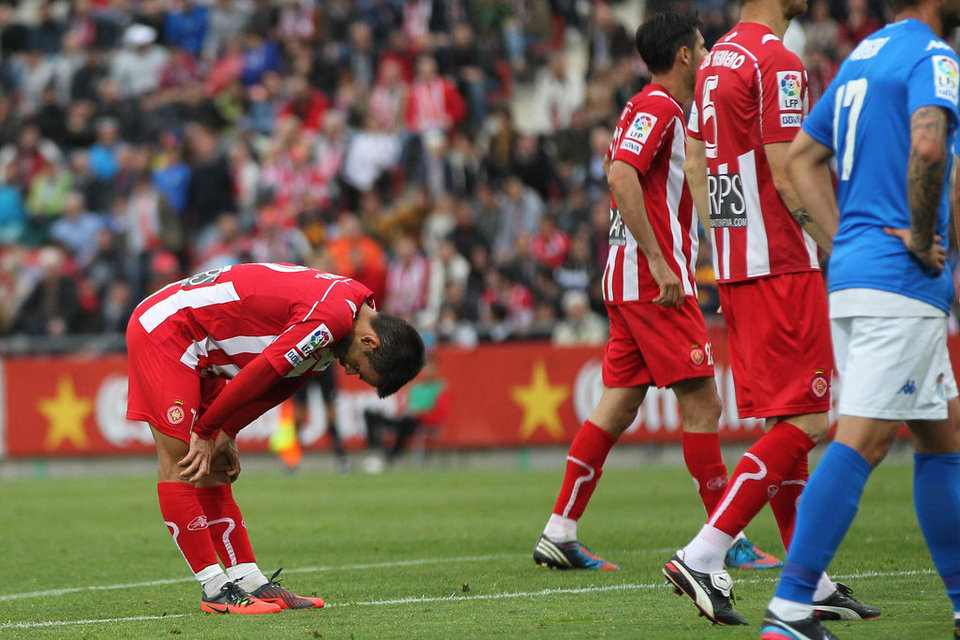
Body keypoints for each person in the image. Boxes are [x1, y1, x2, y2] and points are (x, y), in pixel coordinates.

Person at [532, 12, 779, 574]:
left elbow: (619, 167)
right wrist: (660, 260)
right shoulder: (660, 107)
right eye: (703, 47)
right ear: (685, 55)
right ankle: (726, 538)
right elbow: (620, 174)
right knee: (704, 403)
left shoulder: (650, 108)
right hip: (654, 284)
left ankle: (559, 530)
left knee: (619, 404)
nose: (708, 55)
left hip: (633, 280)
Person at [662, 0, 879, 626]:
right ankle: (704, 551)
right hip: (782, 263)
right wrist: (842, 247)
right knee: (809, 420)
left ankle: (809, 579)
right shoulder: (776, 60)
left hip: (738, 266)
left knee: (787, 421)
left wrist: (725, 241)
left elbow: (696, 163)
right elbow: (788, 174)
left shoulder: (714, 62)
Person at [761, 1, 960, 638]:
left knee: (942, 437)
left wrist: (849, 238)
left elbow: (801, 157)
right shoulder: (933, 57)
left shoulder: (860, 58)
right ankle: (790, 608)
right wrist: (917, 236)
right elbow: (929, 142)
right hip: (898, 284)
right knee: (864, 440)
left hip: (857, 275)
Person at [126, 262, 425, 614]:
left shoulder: (349, 318)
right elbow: (265, 369)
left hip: (203, 344)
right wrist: (207, 430)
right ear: (369, 341)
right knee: (182, 461)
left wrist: (227, 430)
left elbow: (283, 382)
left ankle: (250, 581)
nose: (348, 370)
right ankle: (214, 590)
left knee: (216, 466)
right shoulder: (331, 318)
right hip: (168, 328)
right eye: (358, 367)